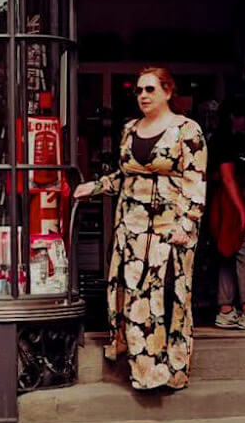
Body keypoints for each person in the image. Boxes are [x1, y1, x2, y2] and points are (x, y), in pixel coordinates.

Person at [74, 67, 207, 390]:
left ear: (167, 91)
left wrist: (186, 223)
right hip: (131, 227)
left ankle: (171, 370)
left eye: (149, 89)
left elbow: (196, 179)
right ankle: (143, 372)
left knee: (165, 295)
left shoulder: (187, 130)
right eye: (138, 90)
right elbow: (125, 175)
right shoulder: (129, 129)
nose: (143, 95)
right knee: (134, 295)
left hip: (170, 226)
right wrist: (94, 186)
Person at [209, 95, 245, 329]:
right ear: (233, 118)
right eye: (243, 118)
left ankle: (225, 308)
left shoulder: (223, 139)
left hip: (223, 205)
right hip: (228, 204)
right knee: (241, 251)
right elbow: (228, 178)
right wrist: (242, 210)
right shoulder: (225, 140)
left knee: (227, 253)